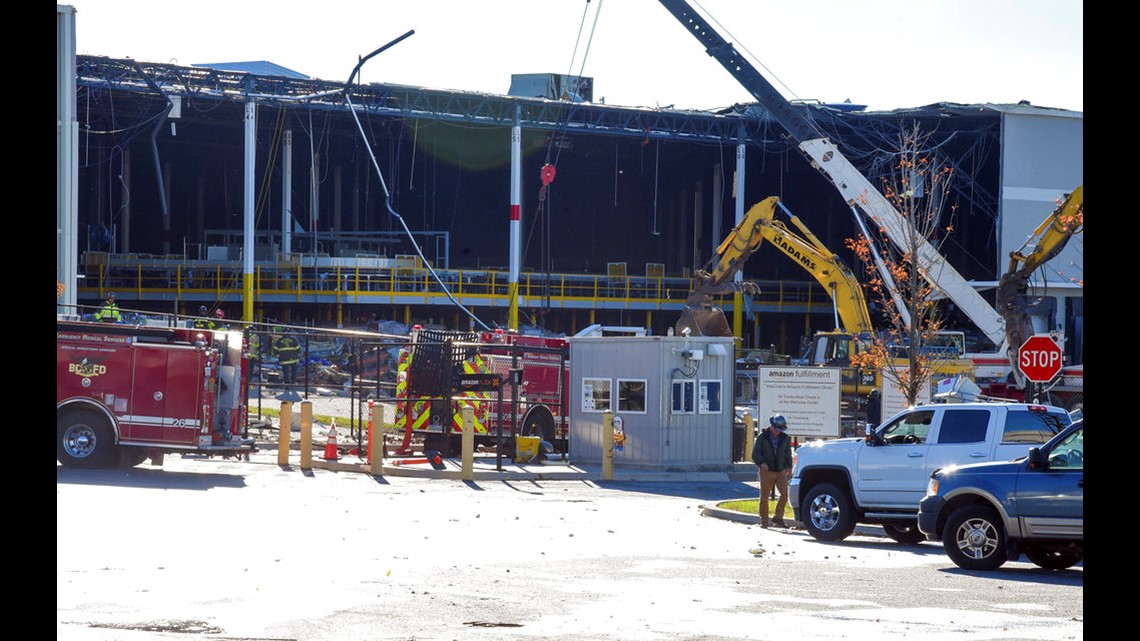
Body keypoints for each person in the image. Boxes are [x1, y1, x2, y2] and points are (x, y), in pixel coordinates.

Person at [751, 413, 795, 528]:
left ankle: (778, 518)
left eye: (781, 429)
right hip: (767, 471)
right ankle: (764, 521)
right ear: (772, 426)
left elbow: (787, 454)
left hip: (780, 471)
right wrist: (761, 463)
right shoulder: (762, 437)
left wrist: (789, 466)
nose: (779, 431)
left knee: (784, 495)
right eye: (777, 429)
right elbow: (755, 453)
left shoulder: (784, 438)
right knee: (764, 497)